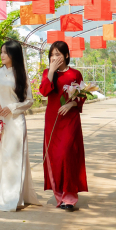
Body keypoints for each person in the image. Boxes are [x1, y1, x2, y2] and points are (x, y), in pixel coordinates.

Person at [0, 40, 40, 212]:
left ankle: (13, 198)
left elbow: (29, 101)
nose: (2, 55)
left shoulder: (22, 75)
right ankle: (7, 194)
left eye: (6, 52)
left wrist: (12, 107)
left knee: (15, 159)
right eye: (1, 52)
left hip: (16, 122)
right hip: (0, 121)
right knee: (2, 157)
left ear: (14, 54)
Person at [38, 40, 88, 212]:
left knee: (68, 154)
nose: (54, 58)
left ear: (66, 55)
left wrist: (71, 104)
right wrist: (51, 71)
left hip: (70, 119)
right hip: (53, 119)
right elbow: (44, 91)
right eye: (52, 55)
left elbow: (82, 95)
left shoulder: (75, 74)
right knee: (56, 157)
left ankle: (70, 197)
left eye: (58, 54)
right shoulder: (48, 73)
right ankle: (59, 195)